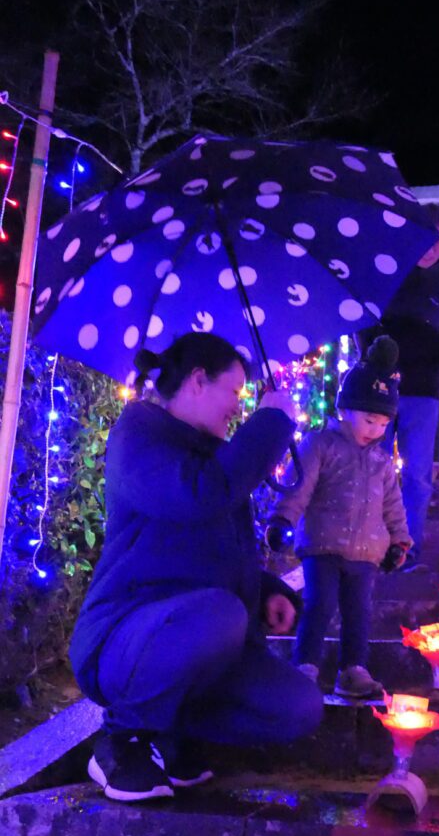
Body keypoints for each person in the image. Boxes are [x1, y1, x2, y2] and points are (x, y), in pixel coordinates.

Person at [69, 332, 323, 803]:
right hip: (124, 637)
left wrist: (267, 590)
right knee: (222, 614)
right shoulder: (138, 434)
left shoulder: (212, 455)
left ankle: (166, 735)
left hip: (198, 633)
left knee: (298, 707)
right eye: (234, 391)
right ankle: (123, 741)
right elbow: (198, 495)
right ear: (197, 380)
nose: (238, 405)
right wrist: (271, 422)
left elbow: (213, 554)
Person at [265, 336, 411, 700]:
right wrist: (282, 519)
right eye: (369, 419)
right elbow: (299, 487)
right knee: (318, 604)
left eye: (382, 424)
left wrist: (399, 540)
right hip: (323, 544)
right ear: (345, 409)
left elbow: (393, 504)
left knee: (358, 611)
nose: (375, 429)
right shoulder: (320, 445)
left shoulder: (380, 461)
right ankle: (306, 666)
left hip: (366, 552)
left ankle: (353, 669)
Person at [359, 203, 439, 570]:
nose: (433, 246)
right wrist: (373, 367)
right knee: (374, 467)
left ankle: (407, 548)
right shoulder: (385, 273)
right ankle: (370, 543)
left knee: (417, 474)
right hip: (380, 389)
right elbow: (365, 323)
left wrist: (435, 377)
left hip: (423, 392)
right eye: (427, 236)